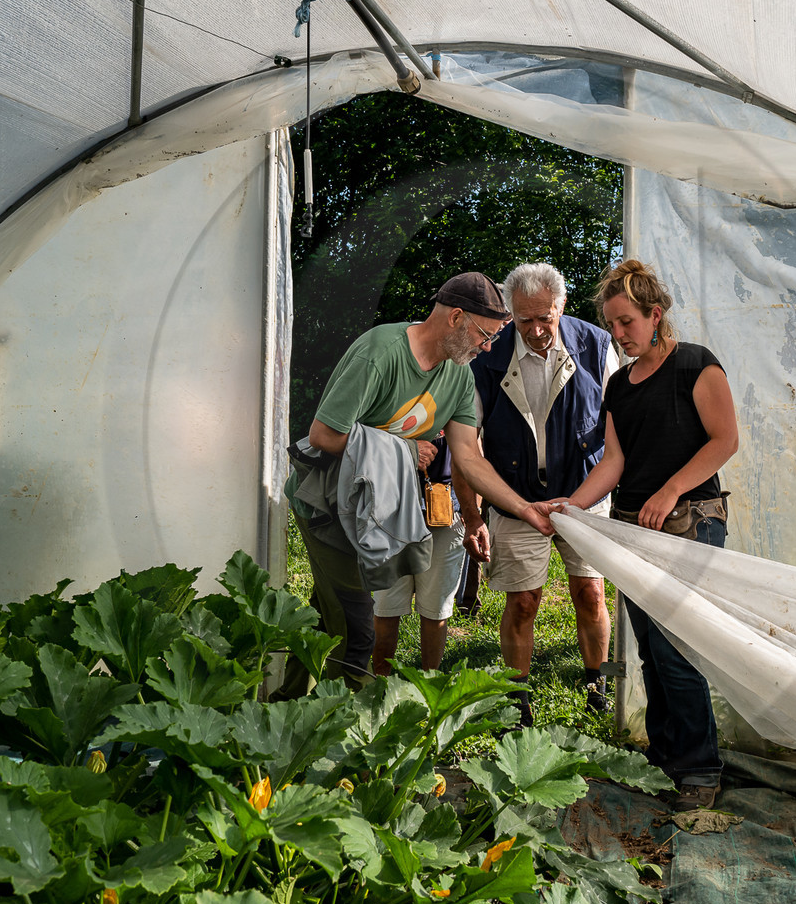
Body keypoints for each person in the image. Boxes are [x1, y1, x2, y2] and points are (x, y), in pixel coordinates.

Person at [286, 272, 555, 688]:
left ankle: (286, 705)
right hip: (327, 505)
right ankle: (344, 723)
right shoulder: (380, 353)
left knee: (327, 617)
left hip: (372, 507)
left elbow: (468, 457)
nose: (486, 347)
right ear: (456, 318)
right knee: (357, 633)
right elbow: (324, 435)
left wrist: (523, 508)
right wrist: (406, 450)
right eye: (484, 335)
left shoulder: (459, 375)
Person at [538, 260, 739, 810]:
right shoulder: (619, 386)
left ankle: (700, 770)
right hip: (634, 530)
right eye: (611, 324)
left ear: (655, 315)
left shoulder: (696, 364)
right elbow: (614, 462)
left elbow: (725, 440)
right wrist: (572, 505)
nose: (618, 333)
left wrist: (671, 490)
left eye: (626, 321)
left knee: (677, 651)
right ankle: (667, 757)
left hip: (691, 523)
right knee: (650, 650)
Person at [464, 262, 619, 725]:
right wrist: (474, 515)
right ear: (510, 312)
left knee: (590, 592)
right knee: (523, 601)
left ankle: (598, 685)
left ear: (562, 306)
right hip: (515, 496)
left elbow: (621, 430)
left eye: (544, 318)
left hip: (586, 491)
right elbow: (468, 446)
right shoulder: (485, 357)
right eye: (524, 319)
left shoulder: (597, 346)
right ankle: (517, 699)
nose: (535, 330)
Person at [370, 434, 469, 674]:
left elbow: (472, 450)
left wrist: (473, 509)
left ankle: (428, 685)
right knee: (385, 609)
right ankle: (378, 685)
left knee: (436, 610)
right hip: (388, 512)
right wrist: (408, 449)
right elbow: (362, 437)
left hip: (445, 512)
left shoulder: (455, 408)